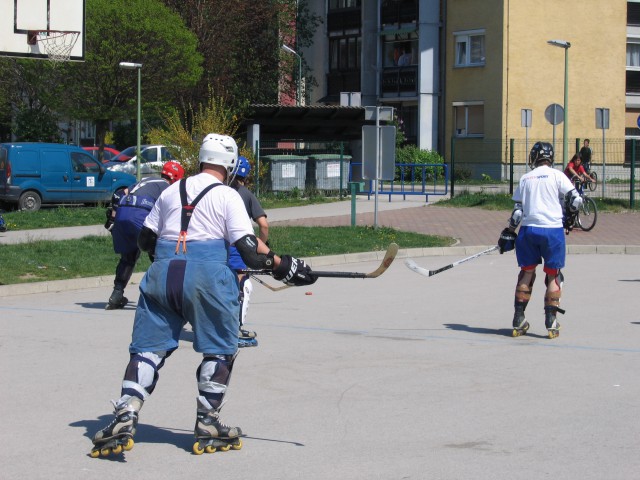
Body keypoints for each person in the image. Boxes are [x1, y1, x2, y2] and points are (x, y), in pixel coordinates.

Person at [90, 133, 316, 457]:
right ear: (232, 165)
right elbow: (251, 253)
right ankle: (208, 422)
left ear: (200, 160)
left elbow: (144, 239)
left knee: (147, 350)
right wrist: (285, 266)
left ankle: (126, 412)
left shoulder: (171, 190)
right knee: (221, 349)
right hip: (207, 276)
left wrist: (165, 259)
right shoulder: (228, 196)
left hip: (162, 275)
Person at [497, 141, 582, 339]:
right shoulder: (558, 175)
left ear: (534, 157)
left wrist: (509, 231)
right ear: (550, 158)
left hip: (529, 230)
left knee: (527, 273)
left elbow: (518, 211)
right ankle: (551, 321)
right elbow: (575, 200)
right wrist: (569, 216)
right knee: (553, 275)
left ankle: (519, 318)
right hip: (552, 230)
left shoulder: (526, 178)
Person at [104, 161, 185, 310]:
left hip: (122, 212)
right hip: (140, 214)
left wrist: (112, 218)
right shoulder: (168, 188)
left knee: (128, 256)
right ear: (175, 178)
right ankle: (160, 297)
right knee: (158, 255)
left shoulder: (145, 180)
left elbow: (119, 194)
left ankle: (116, 295)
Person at [228, 156, 269, 347]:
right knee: (242, 285)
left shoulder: (217, 190)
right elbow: (264, 225)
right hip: (238, 247)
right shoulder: (245, 194)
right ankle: (234, 330)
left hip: (215, 247)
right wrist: (260, 246)